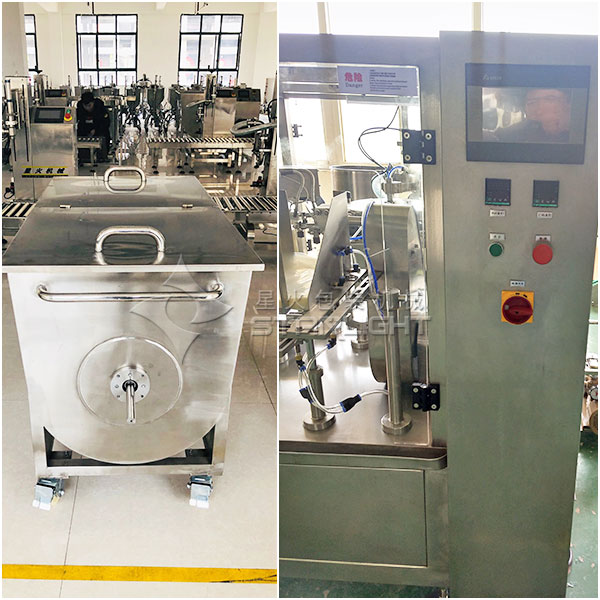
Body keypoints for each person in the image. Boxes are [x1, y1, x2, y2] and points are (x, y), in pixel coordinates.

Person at [494, 88, 571, 143]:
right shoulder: (511, 136)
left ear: (568, 102)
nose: (539, 111)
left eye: (550, 99)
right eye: (531, 103)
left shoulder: (576, 134)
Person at [76, 91, 111, 160]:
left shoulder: (100, 108)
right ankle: (84, 158)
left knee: (103, 137)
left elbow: (106, 123)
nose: (87, 108)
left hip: (100, 130)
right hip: (85, 130)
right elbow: (79, 122)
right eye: (85, 106)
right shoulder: (80, 109)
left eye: (89, 105)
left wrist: (96, 130)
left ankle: (102, 158)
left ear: (93, 102)